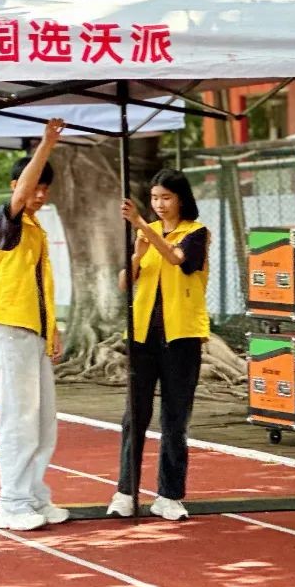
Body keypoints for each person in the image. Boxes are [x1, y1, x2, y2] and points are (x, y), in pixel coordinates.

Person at [107, 169, 209, 521]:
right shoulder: (144, 235)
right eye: (154, 198)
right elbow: (125, 283)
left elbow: (178, 259)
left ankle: (169, 494)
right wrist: (137, 254)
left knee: (175, 418)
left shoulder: (196, 233)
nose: (159, 204)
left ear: (181, 199)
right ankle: (125, 491)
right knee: (134, 416)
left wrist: (140, 223)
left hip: (182, 338)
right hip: (142, 337)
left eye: (166, 198)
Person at [0, 119, 69, 531]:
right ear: (16, 186)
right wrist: (47, 144)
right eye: (34, 187)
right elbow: (19, 196)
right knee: (18, 419)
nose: (39, 194)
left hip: (34, 333)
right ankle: (12, 502)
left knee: (42, 422)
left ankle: (34, 495)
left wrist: (53, 329)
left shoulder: (37, 229)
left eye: (45, 189)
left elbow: (41, 286)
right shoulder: (7, 222)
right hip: (12, 330)